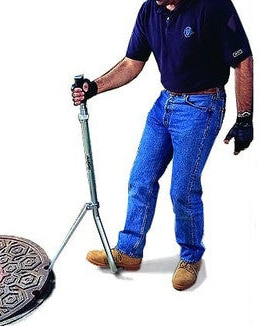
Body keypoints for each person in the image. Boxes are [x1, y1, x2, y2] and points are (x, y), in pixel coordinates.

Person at [71, 0, 253, 290]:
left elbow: (242, 58)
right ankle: (128, 251)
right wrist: (94, 87)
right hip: (165, 103)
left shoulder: (213, 6)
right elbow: (132, 63)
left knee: (183, 189)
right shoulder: (149, 10)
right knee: (140, 178)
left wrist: (244, 117)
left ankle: (191, 257)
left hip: (202, 105)